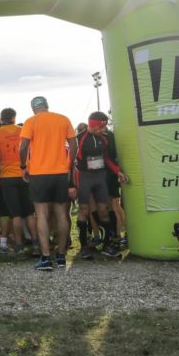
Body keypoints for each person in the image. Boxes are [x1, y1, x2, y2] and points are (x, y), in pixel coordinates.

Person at [19, 96, 77, 271]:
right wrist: (68, 165)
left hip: (39, 173)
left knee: (41, 214)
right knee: (61, 214)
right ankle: (61, 256)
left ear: (33, 108)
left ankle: (45, 258)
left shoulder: (31, 121)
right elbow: (74, 145)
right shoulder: (63, 119)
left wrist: (23, 166)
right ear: (47, 106)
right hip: (60, 172)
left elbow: (23, 147)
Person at [73, 112, 128, 259]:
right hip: (84, 178)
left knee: (104, 209)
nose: (104, 129)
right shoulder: (79, 139)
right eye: (102, 126)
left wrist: (118, 172)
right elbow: (72, 161)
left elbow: (106, 158)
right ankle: (84, 246)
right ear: (95, 125)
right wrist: (72, 183)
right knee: (85, 210)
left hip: (100, 177)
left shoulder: (104, 138)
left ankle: (107, 244)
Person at [0, 108, 31, 256]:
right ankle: (37, 243)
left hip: (7, 177)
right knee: (30, 212)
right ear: (14, 117)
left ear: (1, 119)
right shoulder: (23, 130)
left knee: (16, 214)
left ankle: (19, 244)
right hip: (25, 174)